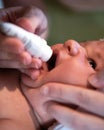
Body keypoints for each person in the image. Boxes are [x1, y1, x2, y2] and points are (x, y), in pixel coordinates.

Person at [21, 39, 104, 130]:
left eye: (91, 63)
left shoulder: (16, 123)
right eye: (83, 45)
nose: (71, 42)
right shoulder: (14, 58)